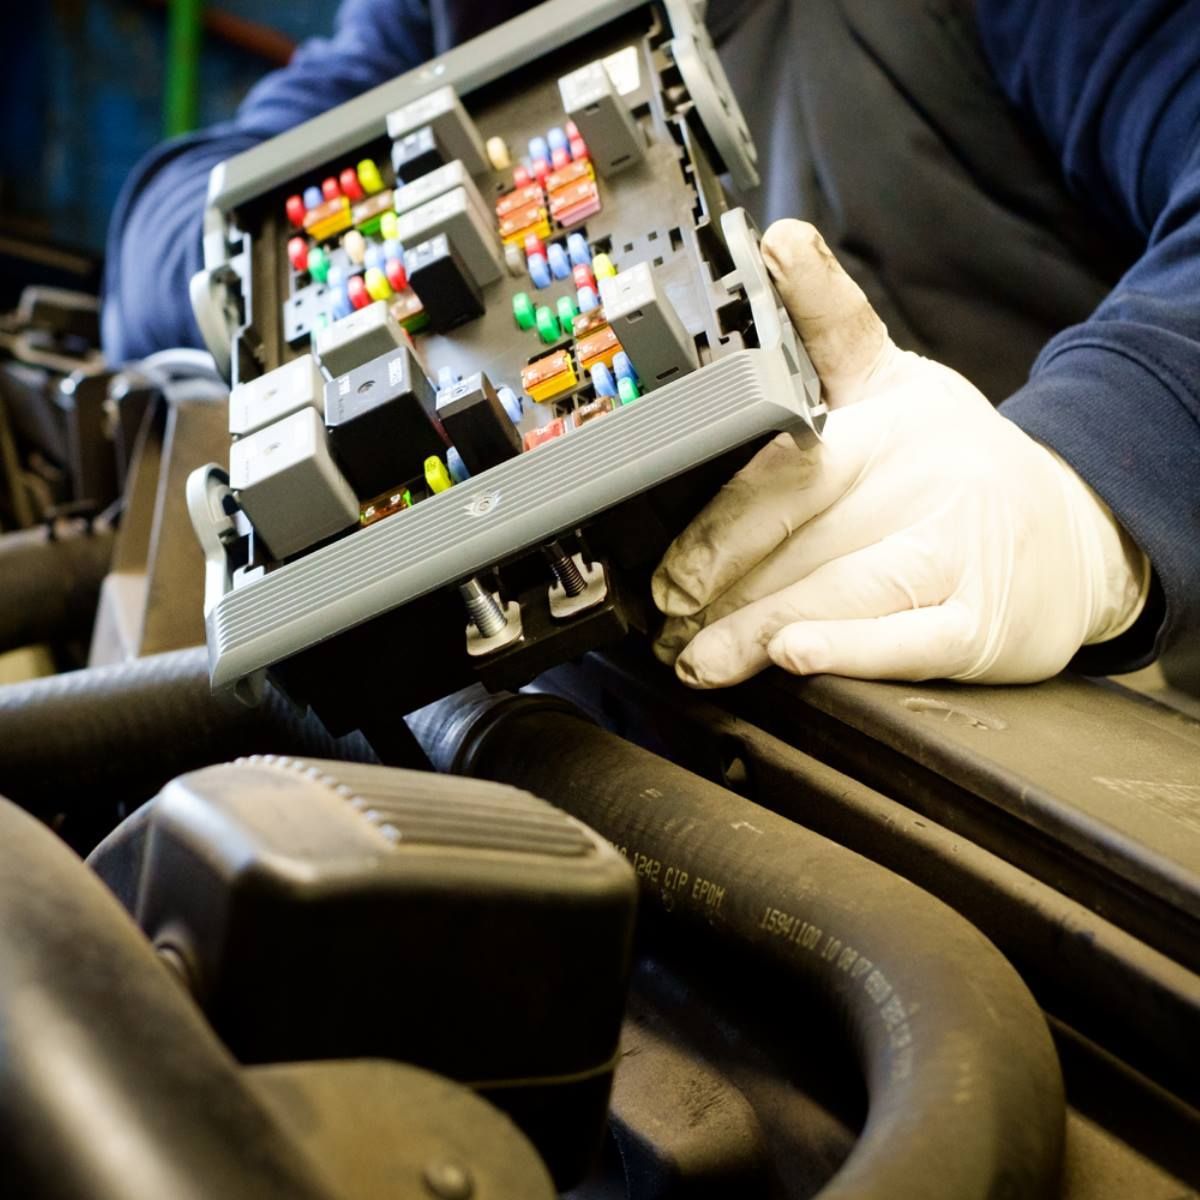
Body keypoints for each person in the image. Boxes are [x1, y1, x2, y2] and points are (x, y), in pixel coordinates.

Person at [103, 0, 1200, 688]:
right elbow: (171, 222)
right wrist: (275, 286)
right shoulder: (442, 22)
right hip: (607, 727)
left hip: (1017, 715)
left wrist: (1086, 483)